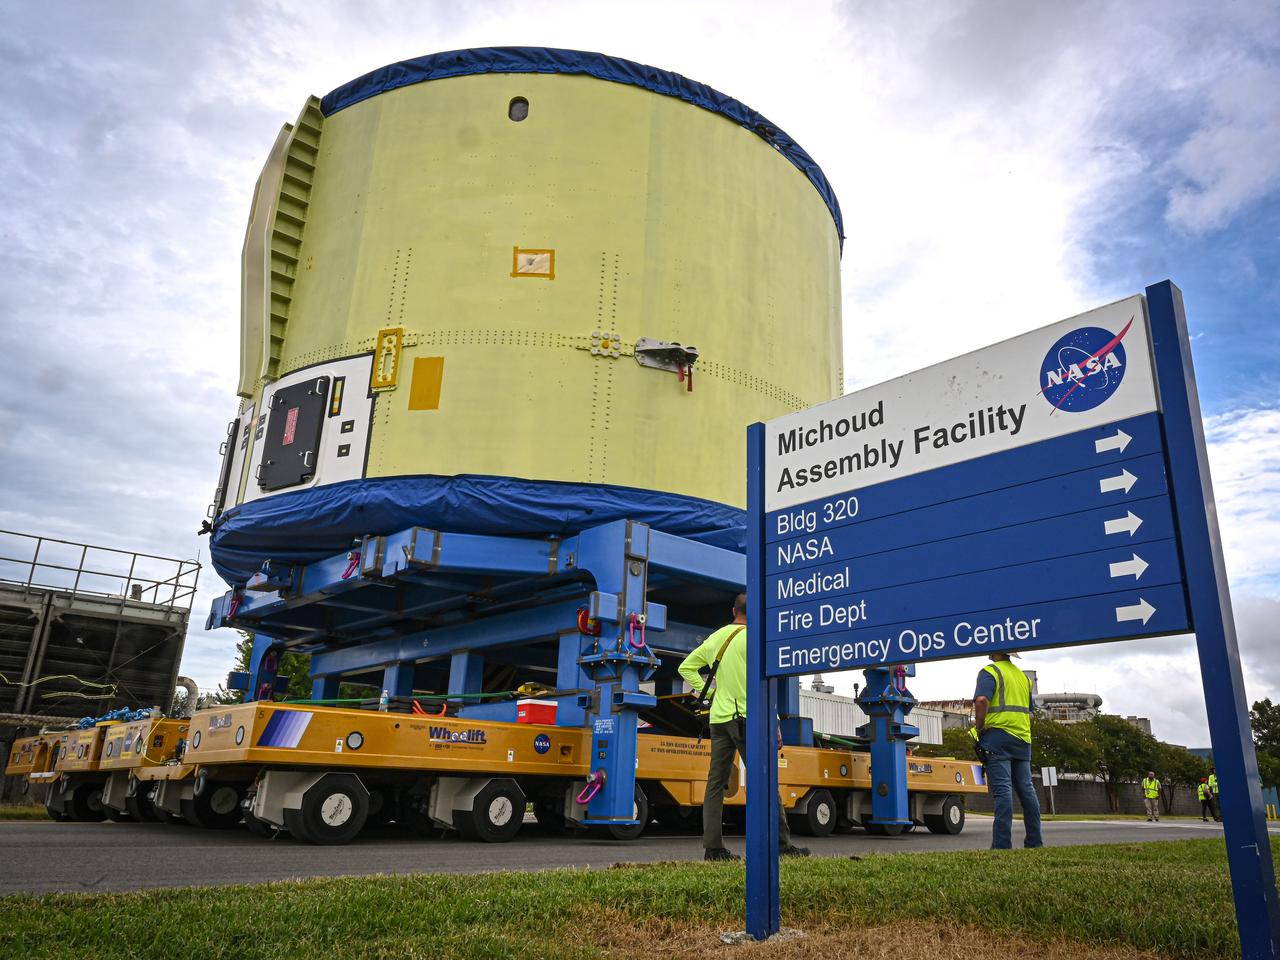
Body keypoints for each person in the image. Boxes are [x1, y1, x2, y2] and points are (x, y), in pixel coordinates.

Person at [678, 592, 809, 861]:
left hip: (719, 720)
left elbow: (686, 668)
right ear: (756, 612)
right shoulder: (757, 640)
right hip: (748, 719)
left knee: (716, 783)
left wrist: (713, 695)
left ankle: (713, 849)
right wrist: (775, 723)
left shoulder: (716, 639)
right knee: (766, 780)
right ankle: (781, 844)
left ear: (733, 610)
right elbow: (764, 686)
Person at [972, 651, 1043, 849]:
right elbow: (1029, 711)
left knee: (1003, 792)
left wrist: (979, 728)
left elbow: (982, 700)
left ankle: (1002, 845)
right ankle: (1034, 842)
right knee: (1027, 791)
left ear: (996, 652)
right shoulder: (1023, 677)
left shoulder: (990, 672)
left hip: (998, 738)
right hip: (1023, 739)